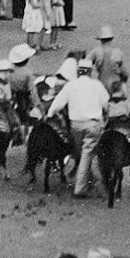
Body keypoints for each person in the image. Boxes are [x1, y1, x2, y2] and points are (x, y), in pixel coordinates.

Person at [47, 62, 109, 199]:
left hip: (75, 125)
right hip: (93, 125)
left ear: (79, 72)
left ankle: (90, 179)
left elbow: (58, 102)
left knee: (82, 154)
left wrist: (50, 114)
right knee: (87, 155)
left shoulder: (70, 85)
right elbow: (106, 104)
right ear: (89, 72)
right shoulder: (97, 85)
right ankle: (80, 188)